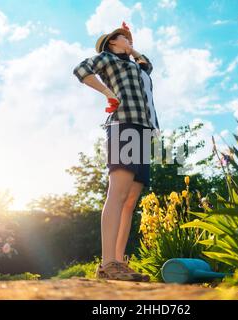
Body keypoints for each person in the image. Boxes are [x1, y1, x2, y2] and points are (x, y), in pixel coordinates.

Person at [73, 22, 161, 282]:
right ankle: (107, 263)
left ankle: (119, 263)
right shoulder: (107, 59)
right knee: (118, 192)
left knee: (131, 200)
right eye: (123, 38)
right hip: (123, 124)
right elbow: (80, 69)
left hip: (144, 129)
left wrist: (132, 49)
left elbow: (148, 66)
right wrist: (107, 92)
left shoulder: (136, 66)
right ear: (111, 43)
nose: (129, 40)